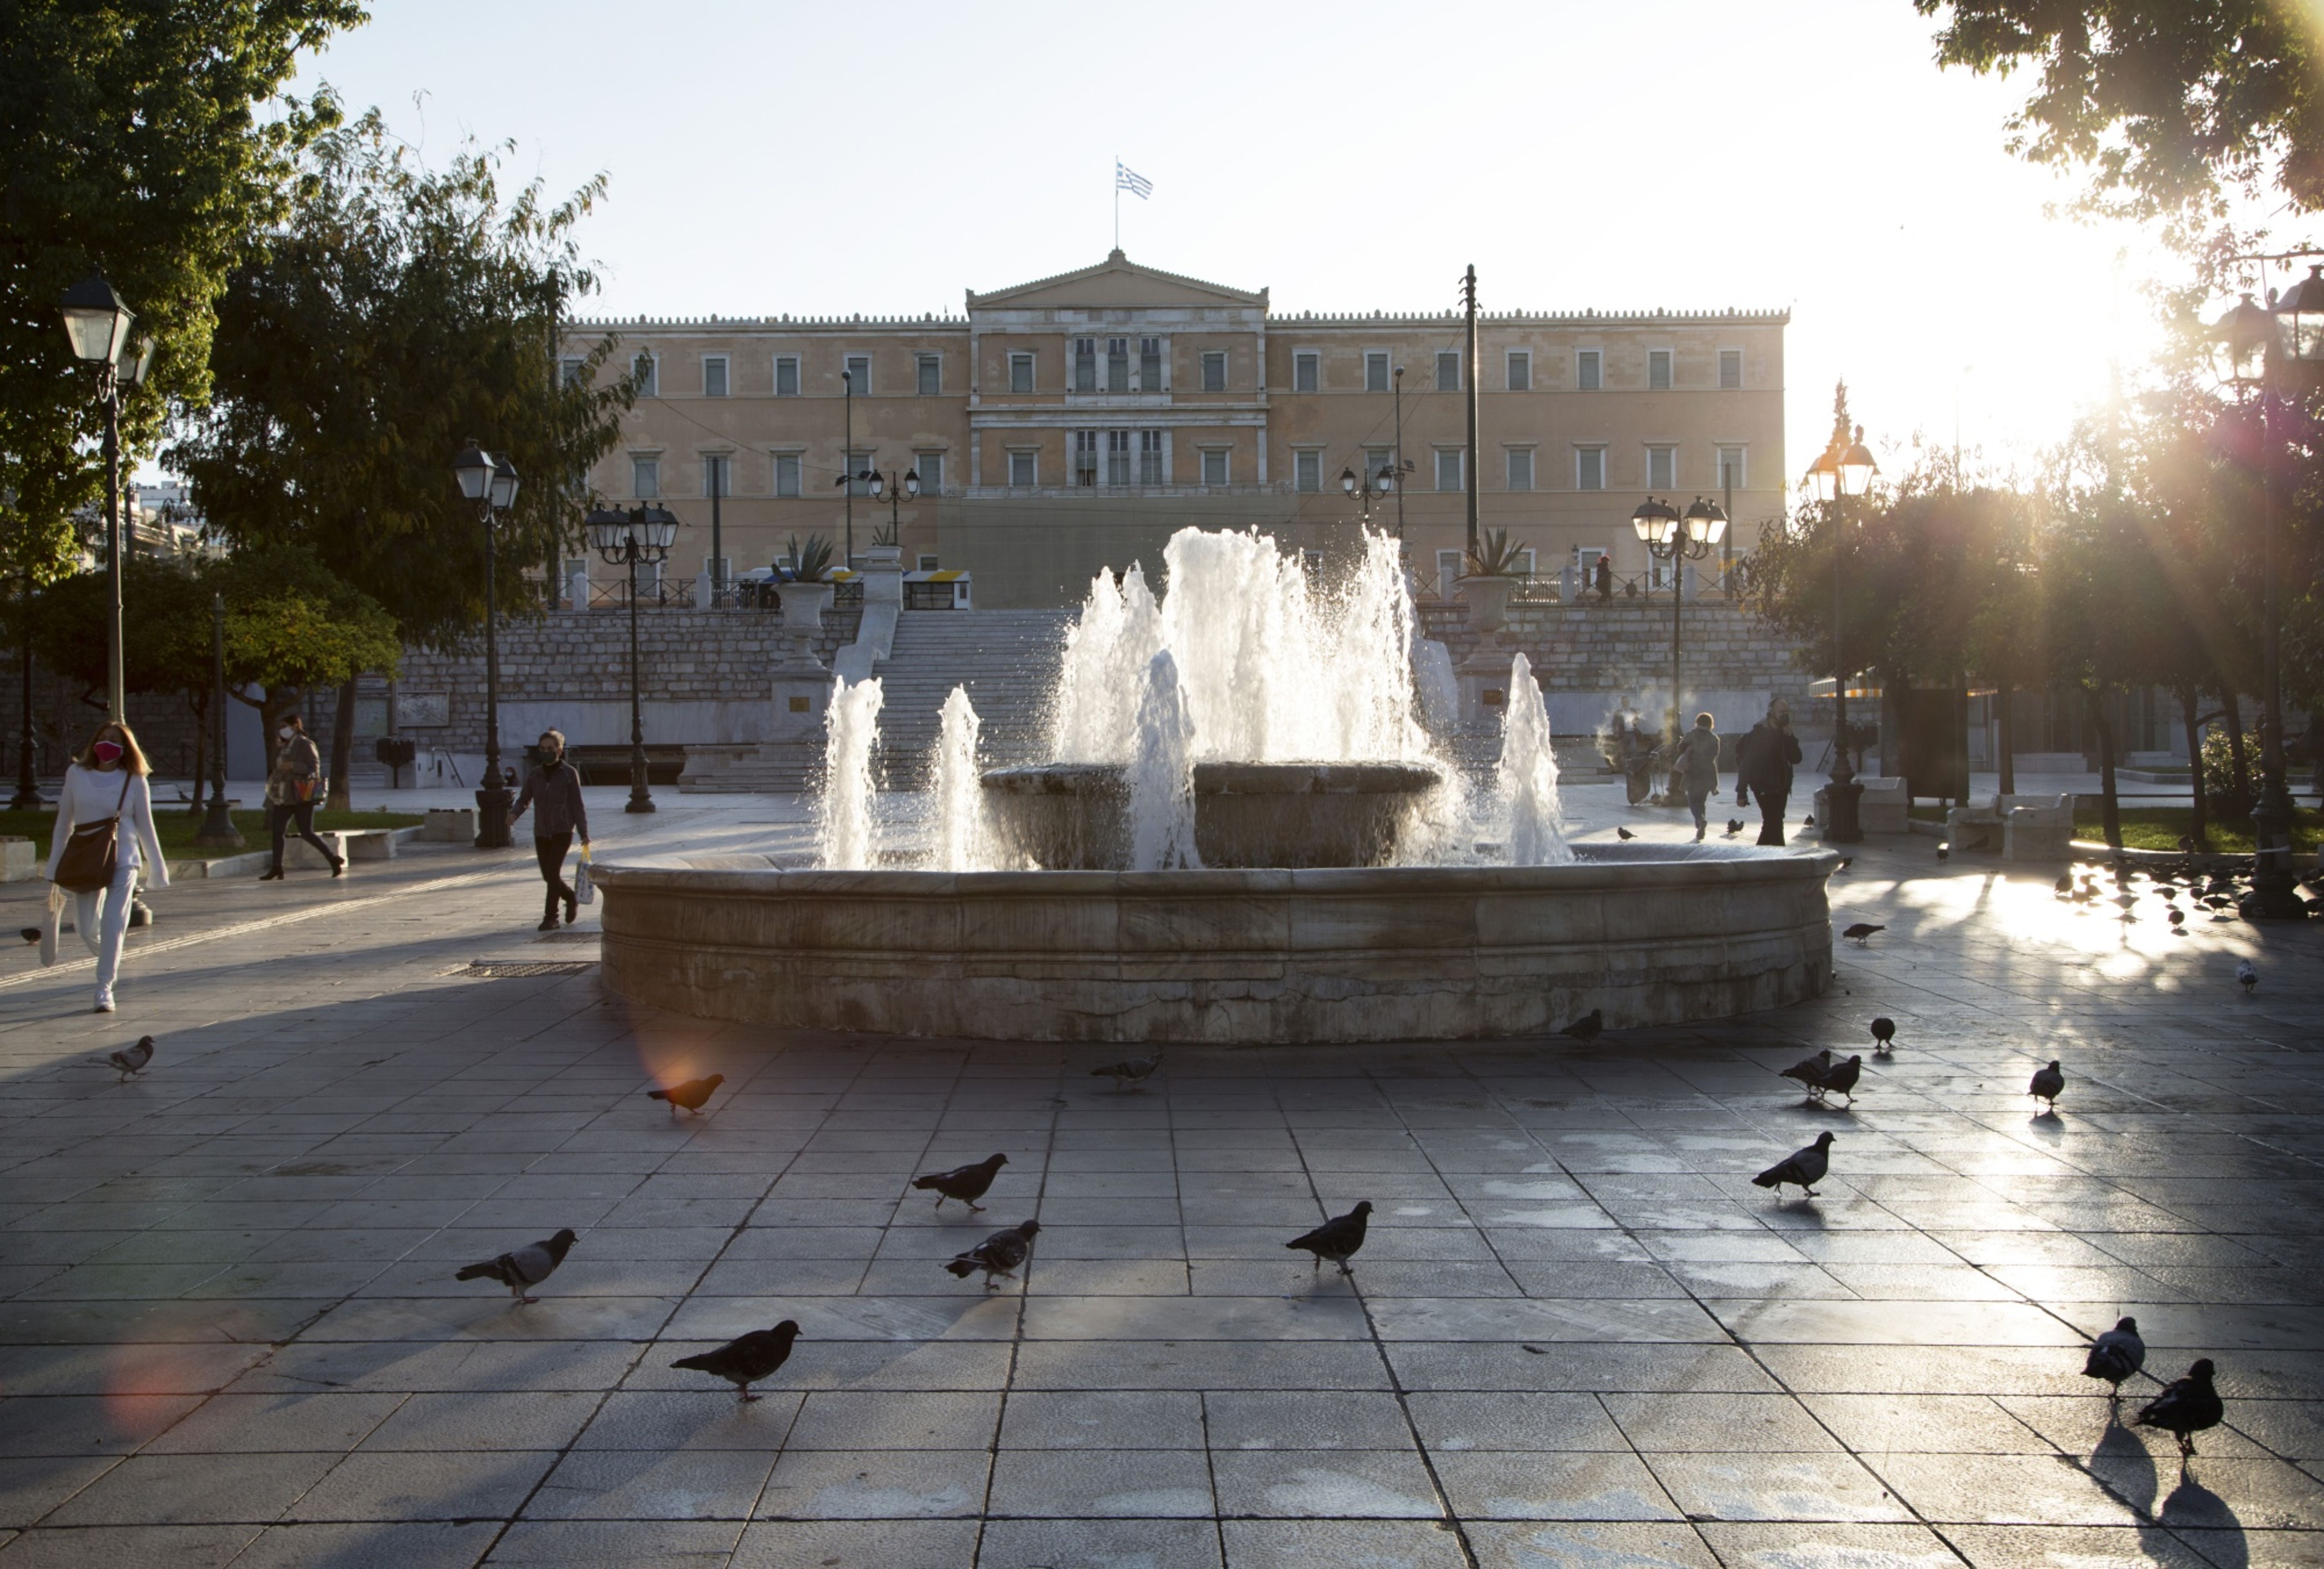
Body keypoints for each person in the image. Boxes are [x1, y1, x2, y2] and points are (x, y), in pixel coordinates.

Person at [46, 721, 168, 1013]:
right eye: (103, 738)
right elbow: (64, 823)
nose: (107, 744)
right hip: (87, 860)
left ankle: (104, 989)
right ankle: (112, 956)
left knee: (113, 924)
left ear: (125, 747)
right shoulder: (77, 774)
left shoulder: (135, 780)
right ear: (94, 742)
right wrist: (53, 866)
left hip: (124, 860)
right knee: (86, 929)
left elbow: (146, 826)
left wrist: (157, 867)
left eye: (115, 739)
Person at [511, 730, 590, 931]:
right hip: (541, 831)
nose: (546, 752)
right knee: (548, 876)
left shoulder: (569, 773)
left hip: (562, 830)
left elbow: (577, 805)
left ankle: (551, 918)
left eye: (551, 748)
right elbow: (524, 799)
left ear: (559, 750)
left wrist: (584, 833)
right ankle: (570, 896)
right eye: (543, 749)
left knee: (553, 873)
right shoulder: (535, 774)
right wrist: (514, 814)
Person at [260, 714, 342, 880]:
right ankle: (277, 867)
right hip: (283, 796)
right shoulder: (283, 745)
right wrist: (278, 749)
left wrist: (293, 766)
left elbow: (314, 767)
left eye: (285, 726)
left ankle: (333, 859)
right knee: (278, 831)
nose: (282, 730)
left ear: (295, 727)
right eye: (280, 727)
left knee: (306, 832)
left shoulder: (305, 744)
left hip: (301, 795)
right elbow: (275, 766)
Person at [1736, 700, 1803, 846]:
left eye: (1787, 712)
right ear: (1772, 713)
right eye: (1782, 712)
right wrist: (1741, 792)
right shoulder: (1758, 734)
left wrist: (1790, 737)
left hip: (1782, 787)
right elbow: (1746, 764)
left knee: (1772, 822)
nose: (1785, 716)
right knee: (1775, 823)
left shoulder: (1785, 733)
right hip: (1763, 787)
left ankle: (1758, 855)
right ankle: (1781, 856)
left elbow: (1797, 758)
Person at [1671, 712, 1723, 841]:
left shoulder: (1691, 735)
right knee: (1702, 801)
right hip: (1708, 774)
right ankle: (1701, 824)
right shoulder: (1714, 739)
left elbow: (1680, 748)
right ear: (1711, 724)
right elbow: (1715, 754)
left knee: (1693, 801)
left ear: (1697, 723)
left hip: (1693, 772)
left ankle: (1700, 821)